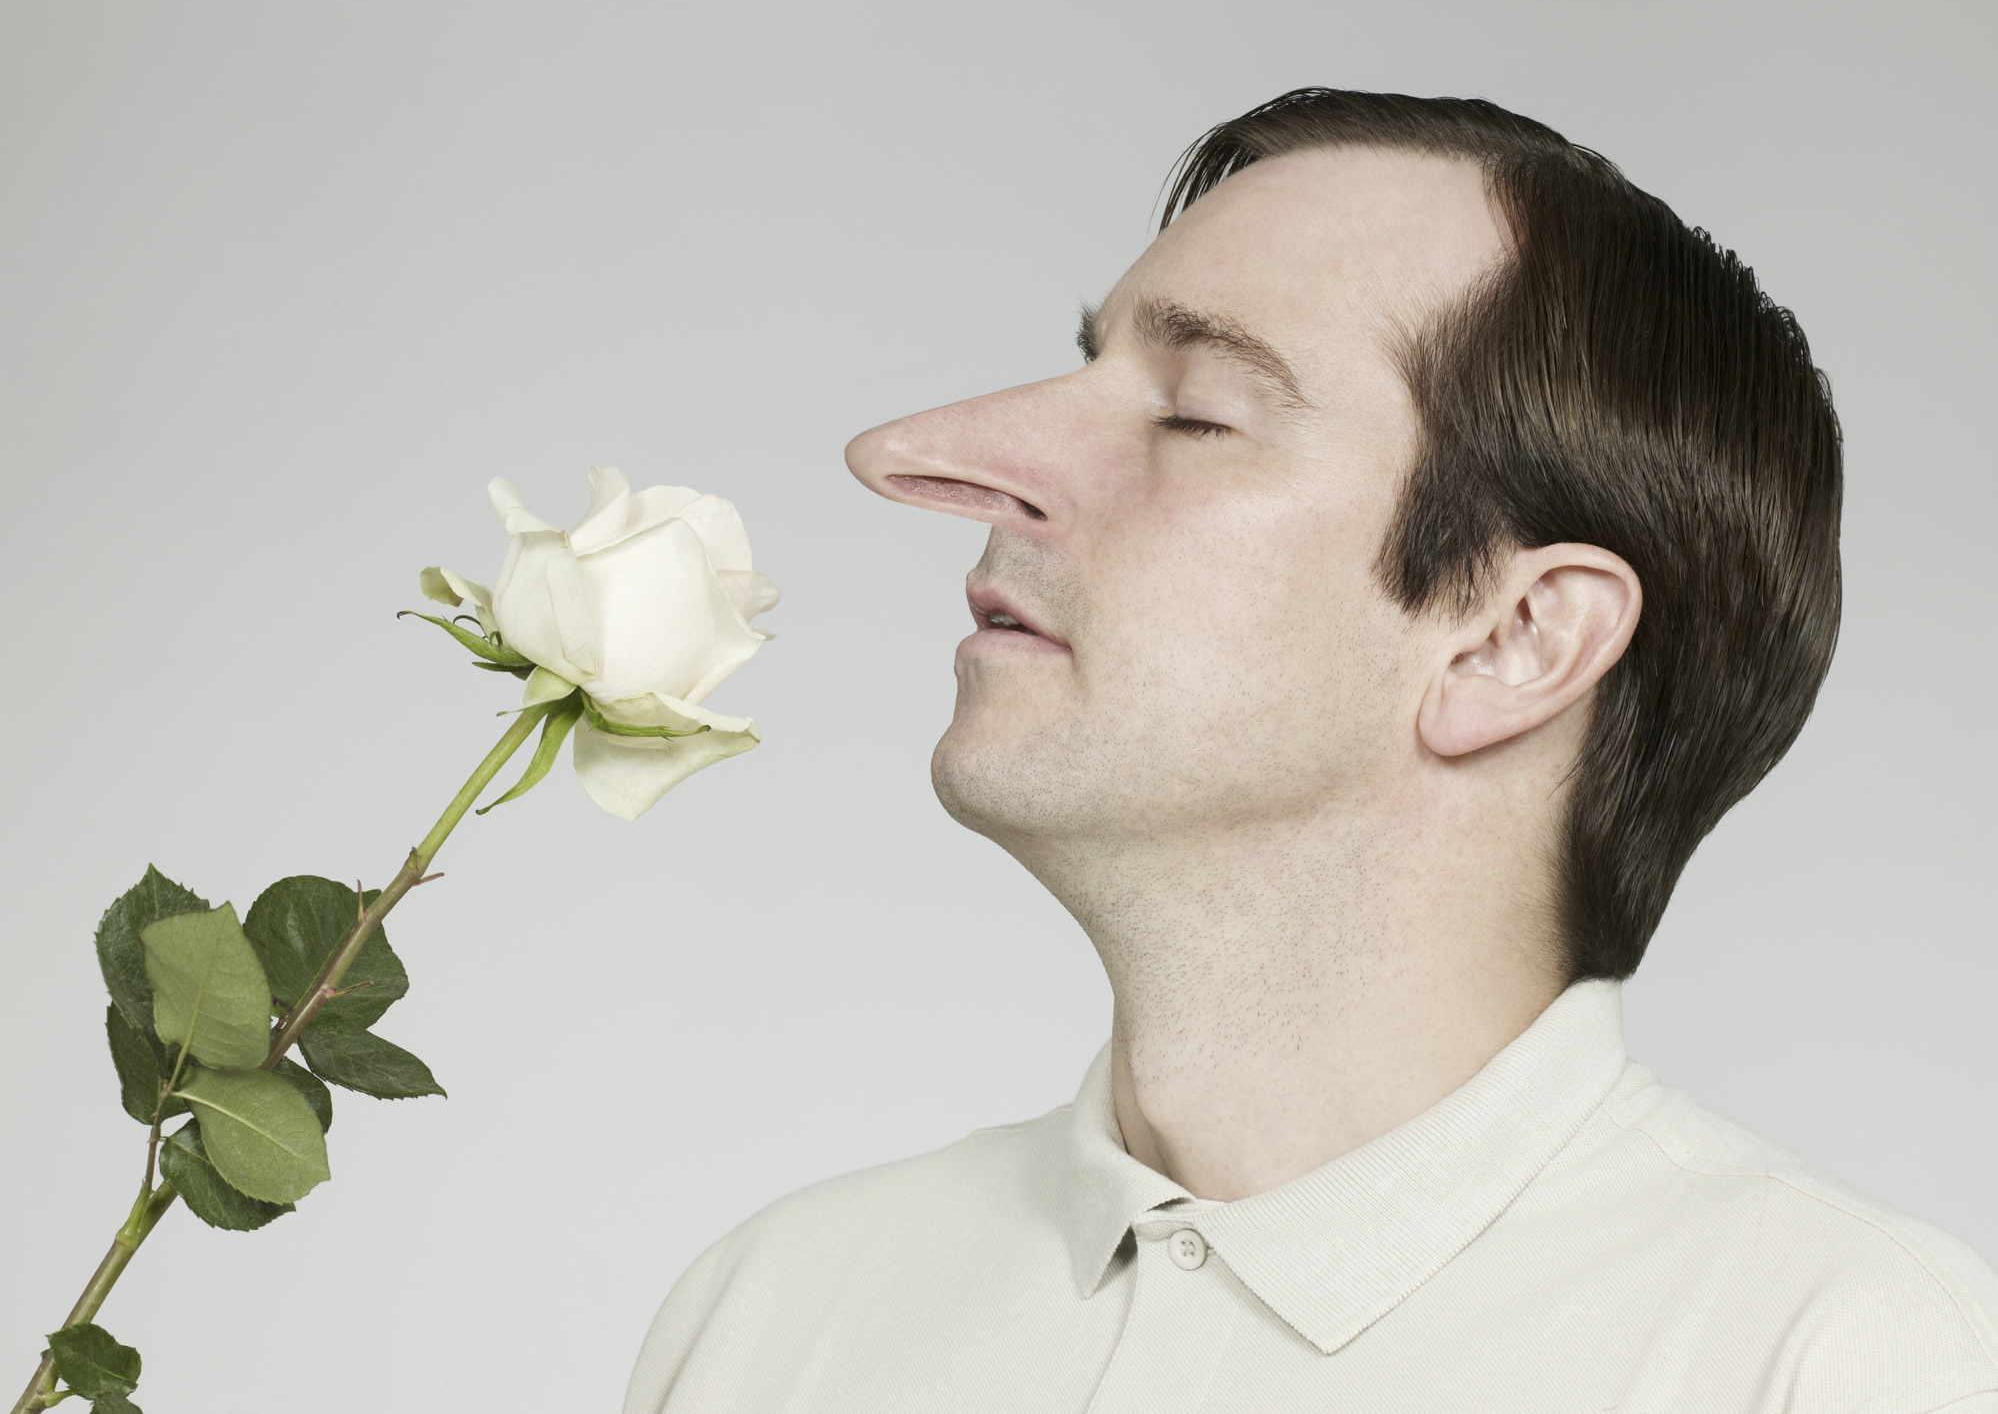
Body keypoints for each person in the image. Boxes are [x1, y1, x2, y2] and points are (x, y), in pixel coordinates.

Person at [623, 88, 1998, 1412]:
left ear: (1510, 641)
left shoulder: (1856, 1375)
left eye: (1194, 414)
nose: (920, 452)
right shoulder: (773, 1313)